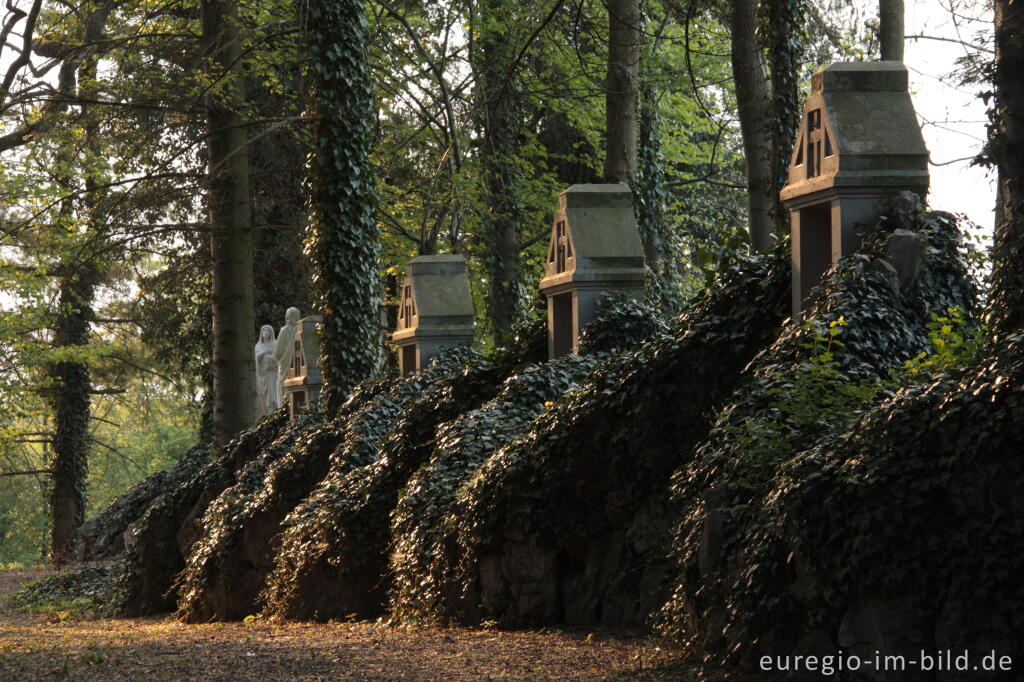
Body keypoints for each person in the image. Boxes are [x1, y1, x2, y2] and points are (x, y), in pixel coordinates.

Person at [274, 307, 301, 406]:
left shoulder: (284, 330)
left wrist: (279, 360)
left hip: (285, 366)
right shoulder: (301, 330)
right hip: (299, 366)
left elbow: (278, 352)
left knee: (283, 390)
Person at [254, 324, 280, 418]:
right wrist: (262, 354)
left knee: (272, 396)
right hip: (261, 375)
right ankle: (264, 415)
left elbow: (277, 358)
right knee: (263, 398)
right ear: (261, 333)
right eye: (264, 331)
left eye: (267, 331)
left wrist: (268, 358)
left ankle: (273, 414)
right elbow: (255, 359)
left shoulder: (274, 344)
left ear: (271, 333)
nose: (265, 333)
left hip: (271, 373)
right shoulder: (258, 346)